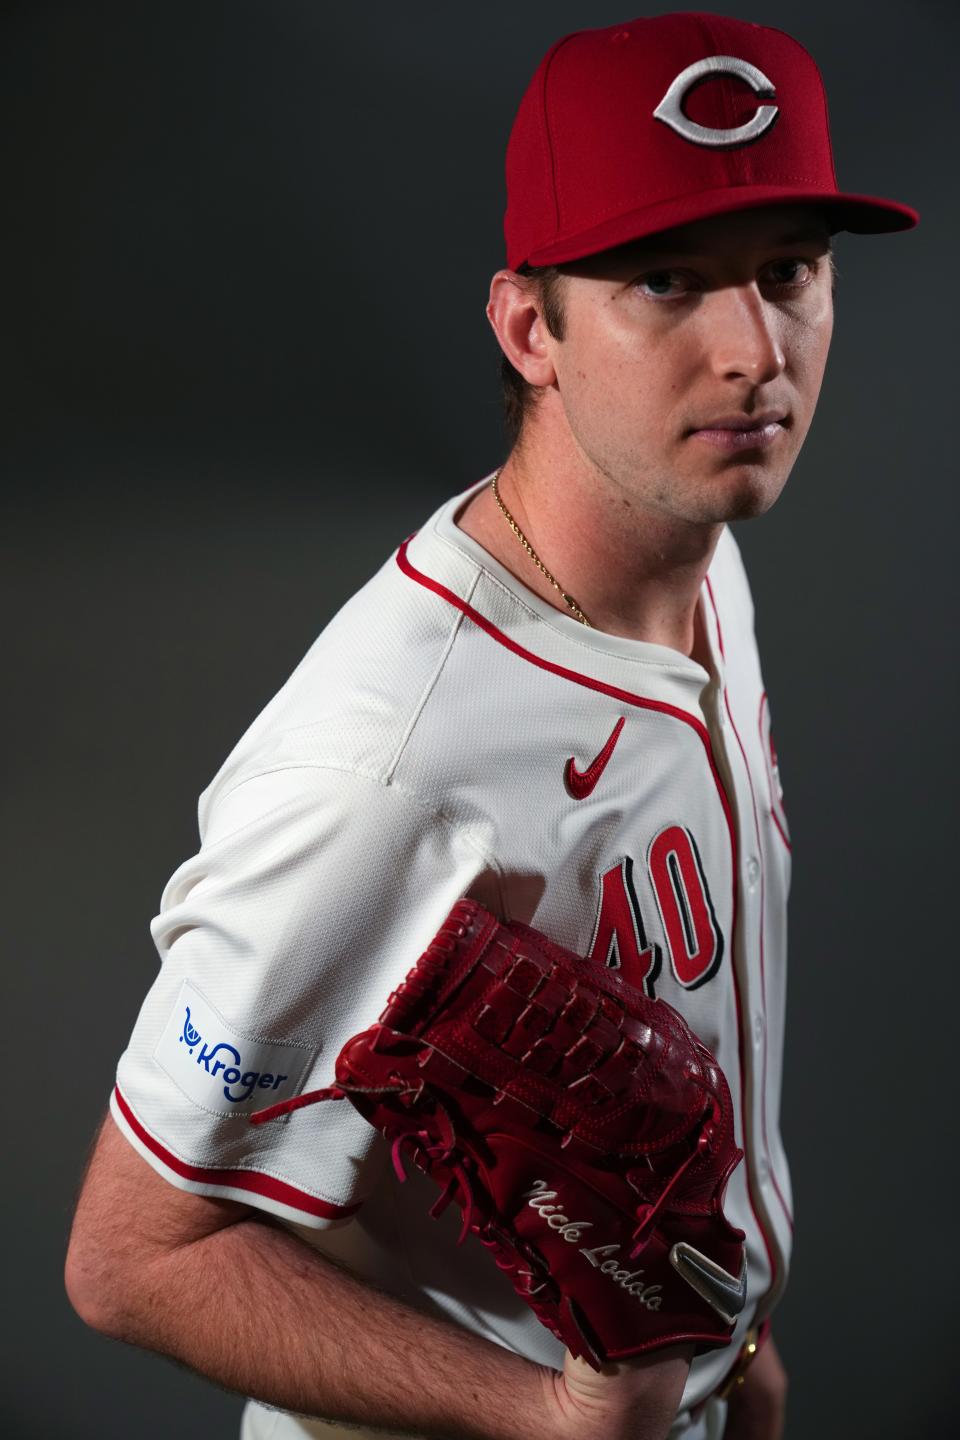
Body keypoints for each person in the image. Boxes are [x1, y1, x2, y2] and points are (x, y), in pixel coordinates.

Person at [65, 12, 917, 1440]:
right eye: (665, 279)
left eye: (788, 272)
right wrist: (544, 1415)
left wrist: (738, 1341)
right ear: (533, 328)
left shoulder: (700, 548)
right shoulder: (390, 767)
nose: (752, 351)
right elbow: (129, 1258)